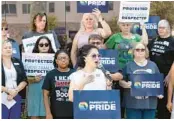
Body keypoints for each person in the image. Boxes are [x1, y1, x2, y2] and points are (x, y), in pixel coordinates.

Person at [105, 21, 148, 118]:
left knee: (131, 99)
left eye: (128, 25)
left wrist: (143, 28)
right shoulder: (115, 37)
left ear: (131, 25)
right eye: (123, 25)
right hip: (117, 72)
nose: (125, 27)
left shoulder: (136, 37)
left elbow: (144, 43)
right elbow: (104, 49)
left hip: (133, 71)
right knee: (117, 100)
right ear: (119, 25)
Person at [120, 42, 163, 119]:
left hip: (150, 103)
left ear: (146, 51)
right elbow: (121, 81)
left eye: (142, 50)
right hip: (132, 103)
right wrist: (125, 84)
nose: (140, 52)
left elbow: (158, 82)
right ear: (133, 51)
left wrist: (159, 92)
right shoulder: (128, 65)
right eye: (137, 50)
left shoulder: (153, 65)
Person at [148, 19, 174, 119]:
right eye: (159, 27)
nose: (160, 30)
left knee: (165, 103)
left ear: (168, 29)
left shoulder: (172, 41)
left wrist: (170, 76)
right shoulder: (154, 40)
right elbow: (147, 55)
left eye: (163, 27)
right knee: (155, 102)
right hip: (153, 77)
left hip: (167, 78)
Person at [27, 36, 55, 119]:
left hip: (49, 90)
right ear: (37, 46)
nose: (44, 47)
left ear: (50, 46)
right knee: (34, 114)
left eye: (46, 44)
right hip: (34, 89)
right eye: (41, 45)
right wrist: (33, 79)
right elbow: (25, 78)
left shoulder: (55, 59)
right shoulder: (30, 59)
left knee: (47, 114)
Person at [42, 50, 75, 119]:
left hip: (74, 113)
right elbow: (45, 95)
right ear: (56, 61)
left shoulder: (75, 74)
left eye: (65, 58)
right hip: (55, 114)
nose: (63, 60)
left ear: (69, 59)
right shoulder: (50, 74)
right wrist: (48, 113)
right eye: (60, 58)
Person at [1, 40, 28, 119]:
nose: (8, 49)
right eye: (5, 48)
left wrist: (15, 91)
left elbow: (24, 80)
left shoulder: (18, 61)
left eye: (10, 47)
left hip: (16, 96)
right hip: (2, 97)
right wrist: (8, 91)